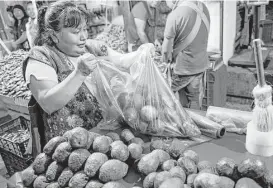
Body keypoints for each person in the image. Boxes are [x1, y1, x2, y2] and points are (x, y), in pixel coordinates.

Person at [22, 1, 110, 150]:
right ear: (54, 35)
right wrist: (79, 73)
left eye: (85, 29)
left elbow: (121, 61)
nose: (83, 36)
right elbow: (48, 103)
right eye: (75, 32)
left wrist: (142, 53)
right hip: (69, 149)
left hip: (102, 139)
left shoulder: (87, 47)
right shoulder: (41, 56)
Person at [162, 0, 210, 109]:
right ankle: (194, 123)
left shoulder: (175, 14)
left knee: (167, 98)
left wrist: (163, 64)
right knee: (194, 99)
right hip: (200, 64)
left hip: (182, 69)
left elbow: (166, 51)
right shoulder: (203, 8)